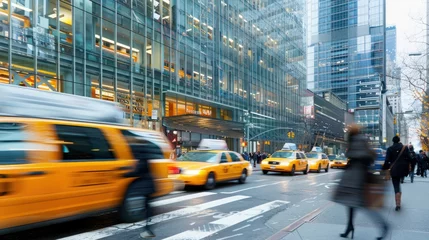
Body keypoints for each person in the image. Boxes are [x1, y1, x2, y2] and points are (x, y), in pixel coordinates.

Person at [333, 124, 389, 240]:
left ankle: (384, 225)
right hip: (354, 177)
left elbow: (359, 155)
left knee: (364, 205)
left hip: (356, 178)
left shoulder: (357, 140)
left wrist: (353, 157)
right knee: (351, 204)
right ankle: (350, 227)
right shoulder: (358, 139)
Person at [125, 143, 157, 238]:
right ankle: (148, 229)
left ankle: (148, 228)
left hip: (146, 187)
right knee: (147, 206)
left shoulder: (142, 159)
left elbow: (137, 171)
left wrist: (124, 174)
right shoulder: (145, 158)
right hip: (148, 186)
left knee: (145, 206)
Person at [383, 136, 412, 211]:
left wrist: (385, 169)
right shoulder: (404, 148)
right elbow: (410, 158)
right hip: (403, 170)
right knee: (399, 183)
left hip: (394, 170)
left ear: (393, 141)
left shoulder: (390, 149)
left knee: (396, 184)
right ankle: (399, 198)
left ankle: (398, 203)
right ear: (399, 140)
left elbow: (387, 160)